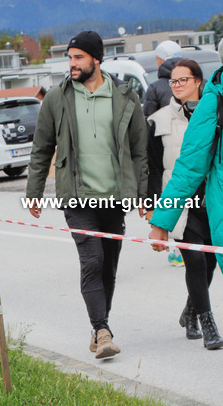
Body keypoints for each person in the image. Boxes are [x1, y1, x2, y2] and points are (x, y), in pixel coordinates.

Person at [26, 30, 149, 359]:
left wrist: (144, 195)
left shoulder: (125, 96)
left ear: (96, 59)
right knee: (92, 260)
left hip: (113, 197)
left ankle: (98, 327)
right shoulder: (57, 98)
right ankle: (103, 330)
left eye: (78, 57)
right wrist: (34, 192)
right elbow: (42, 150)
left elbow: (140, 151)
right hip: (77, 197)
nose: (72, 64)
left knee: (108, 266)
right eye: (69, 58)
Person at [149, 60, 223, 350]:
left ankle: (190, 312)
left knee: (207, 266)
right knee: (195, 263)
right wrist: (159, 217)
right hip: (186, 205)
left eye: (183, 80)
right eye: (173, 81)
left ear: (197, 81)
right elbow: (174, 168)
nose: (177, 85)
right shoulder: (161, 119)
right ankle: (207, 323)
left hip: (211, 205)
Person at [142, 40, 183, 119]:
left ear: (162, 61)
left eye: (157, 60)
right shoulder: (197, 81)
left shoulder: (155, 88)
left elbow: (149, 120)